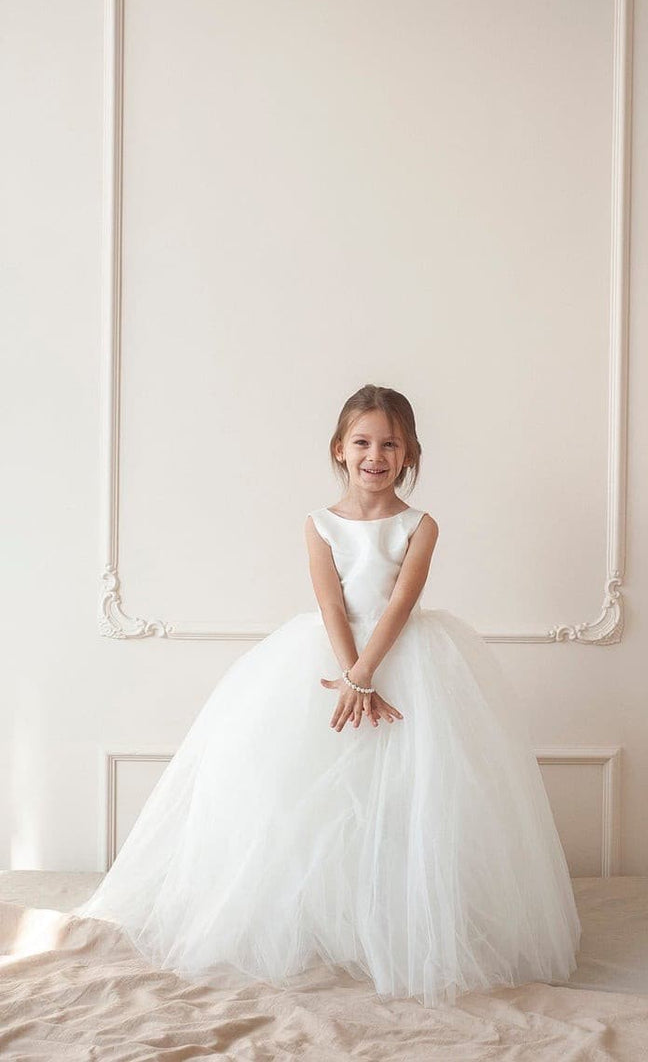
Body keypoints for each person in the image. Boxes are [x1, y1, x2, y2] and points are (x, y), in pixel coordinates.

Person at [73, 383, 581, 1008]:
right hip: (327, 660)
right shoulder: (320, 524)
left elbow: (401, 601)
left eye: (390, 444)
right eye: (363, 442)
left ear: (410, 452)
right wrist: (350, 674)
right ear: (340, 449)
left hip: (404, 659)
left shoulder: (421, 525)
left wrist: (366, 673)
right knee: (312, 796)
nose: (376, 455)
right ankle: (328, 921)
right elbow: (330, 600)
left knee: (406, 796)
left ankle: (396, 924)